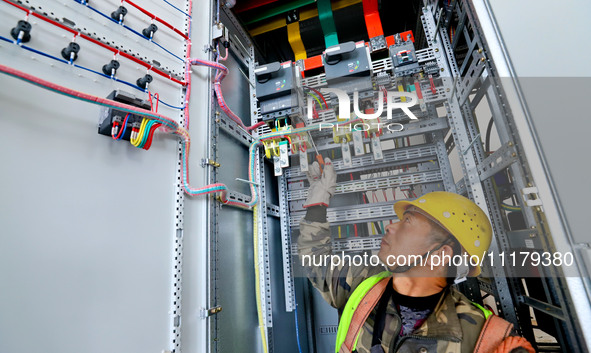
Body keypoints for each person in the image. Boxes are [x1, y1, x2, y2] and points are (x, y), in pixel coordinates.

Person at [298, 159, 535, 353]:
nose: (390, 227)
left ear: (441, 254)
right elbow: (315, 259)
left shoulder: (483, 336)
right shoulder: (364, 284)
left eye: (407, 222)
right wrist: (317, 203)